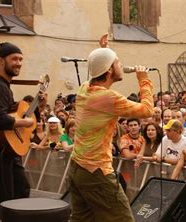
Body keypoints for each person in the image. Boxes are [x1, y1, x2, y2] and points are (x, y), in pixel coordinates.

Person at [69, 34, 154, 221]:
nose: (121, 65)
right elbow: (148, 110)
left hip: (77, 168)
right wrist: (144, 79)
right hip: (96, 172)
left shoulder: (84, 88)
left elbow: (97, 70)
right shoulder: (108, 98)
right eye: (118, 62)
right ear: (108, 71)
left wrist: (104, 50)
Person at [0, 42, 40, 222]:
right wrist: (25, 121)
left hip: (6, 151)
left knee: (20, 190)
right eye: (14, 58)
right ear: (0, 61)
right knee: (1, 200)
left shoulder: (4, 86)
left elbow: (10, 112)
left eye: (21, 59)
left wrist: (34, 107)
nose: (18, 63)